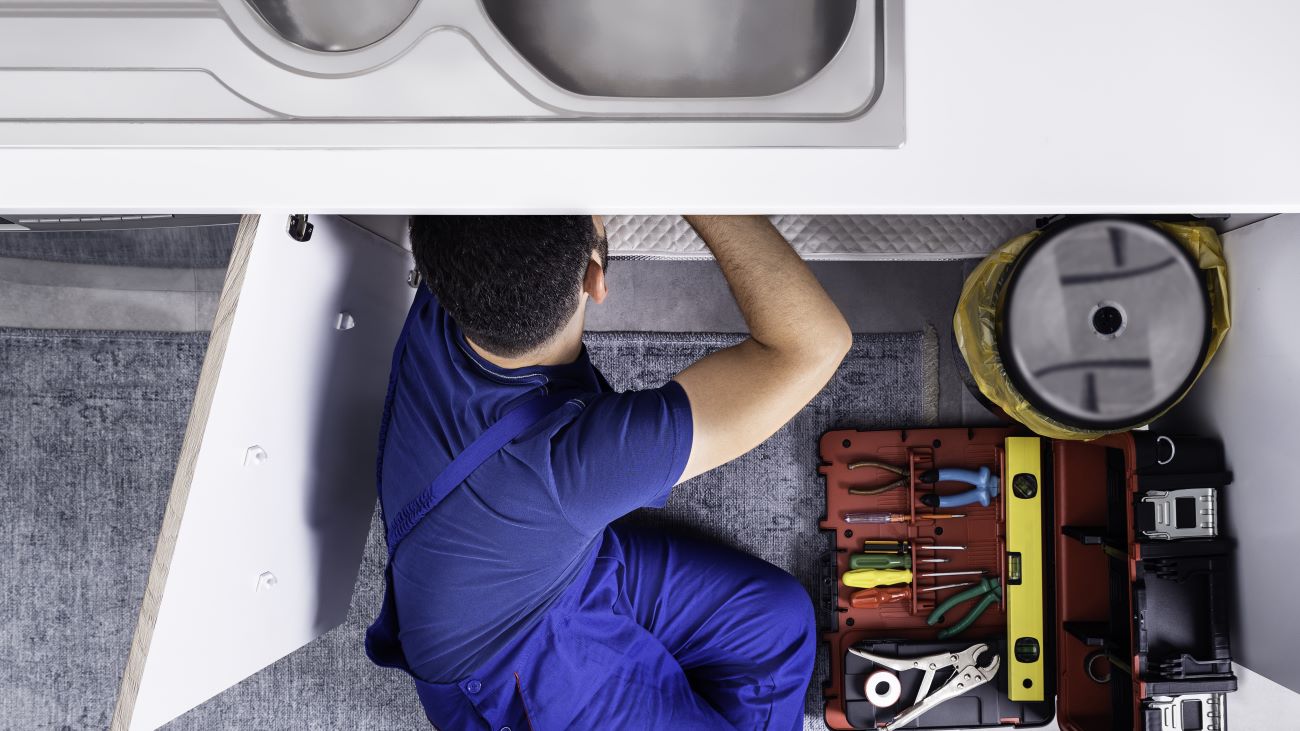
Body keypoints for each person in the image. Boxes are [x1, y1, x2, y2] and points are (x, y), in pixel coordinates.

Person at [366, 215, 851, 730]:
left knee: (775, 621)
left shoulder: (455, 271)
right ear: (595, 279)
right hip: (510, 673)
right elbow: (814, 345)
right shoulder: (574, 464)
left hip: (540, 577)